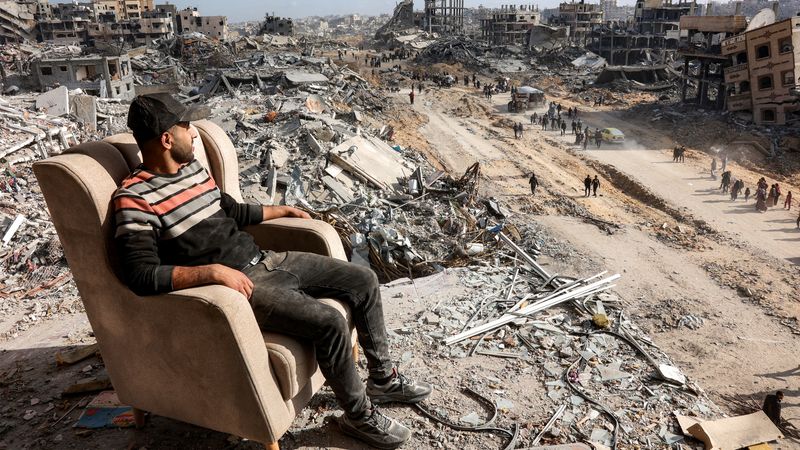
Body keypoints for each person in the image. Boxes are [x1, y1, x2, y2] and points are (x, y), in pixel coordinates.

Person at [114, 94, 431, 449]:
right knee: (329, 321)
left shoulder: (191, 170)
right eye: (185, 126)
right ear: (167, 139)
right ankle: (358, 417)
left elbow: (231, 210)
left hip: (268, 259)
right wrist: (211, 273)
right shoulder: (134, 198)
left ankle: (383, 380)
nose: (194, 133)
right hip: (242, 289)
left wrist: (284, 212)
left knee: (364, 280)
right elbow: (139, 274)